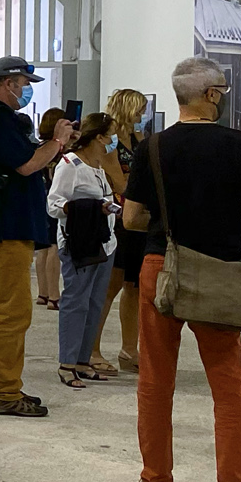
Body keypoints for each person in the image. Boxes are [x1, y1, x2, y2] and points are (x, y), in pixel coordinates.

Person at [120, 57, 241, 482]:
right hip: (218, 271)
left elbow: (131, 218)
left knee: (155, 381)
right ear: (210, 94)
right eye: (222, 90)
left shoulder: (152, 148)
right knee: (228, 388)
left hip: (161, 267)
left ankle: (155, 481)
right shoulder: (238, 145)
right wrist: (229, 222)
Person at [0, 56, 72, 417]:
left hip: (0, 225)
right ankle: (4, 392)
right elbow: (27, 165)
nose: (26, 91)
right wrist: (57, 142)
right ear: (8, 83)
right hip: (3, 227)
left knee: (2, 308)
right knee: (13, 311)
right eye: (24, 84)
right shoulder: (0, 118)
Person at [47, 114, 119, 390]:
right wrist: (87, 208)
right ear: (99, 137)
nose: (113, 141)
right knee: (76, 302)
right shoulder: (70, 165)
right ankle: (67, 362)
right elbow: (54, 205)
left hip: (105, 244)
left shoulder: (99, 166)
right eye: (111, 135)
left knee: (95, 303)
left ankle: (82, 359)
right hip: (80, 245)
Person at [89, 88, 149, 373]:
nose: (142, 116)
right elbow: (119, 181)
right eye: (139, 110)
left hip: (136, 218)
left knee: (134, 287)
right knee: (108, 287)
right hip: (116, 219)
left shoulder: (138, 138)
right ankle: (92, 349)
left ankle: (129, 349)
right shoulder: (109, 139)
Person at [32, 108, 69, 310]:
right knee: (54, 246)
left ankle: (43, 293)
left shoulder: (40, 148)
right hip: (54, 200)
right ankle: (54, 295)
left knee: (43, 248)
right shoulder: (59, 150)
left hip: (39, 200)